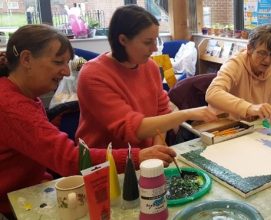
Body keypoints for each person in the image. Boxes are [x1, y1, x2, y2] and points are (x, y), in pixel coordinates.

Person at [0, 24, 176, 217]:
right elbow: (70, 159)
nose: (67, 72)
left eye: (67, 63)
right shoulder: (11, 106)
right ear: (26, 59)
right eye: (58, 62)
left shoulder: (24, 96)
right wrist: (138, 157)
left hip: (31, 191)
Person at [76, 5, 217, 149]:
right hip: (106, 162)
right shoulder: (93, 75)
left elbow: (161, 112)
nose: (155, 48)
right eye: (148, 42)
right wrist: (186, 114)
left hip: (145, 156)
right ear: (123, 40)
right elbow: (131, 128)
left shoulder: (150, 67)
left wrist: (158, 147)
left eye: (155, 41)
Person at [205, 25, 271, 121]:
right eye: (262, 53)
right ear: (249, 48)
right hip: (222, 126)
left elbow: (266, 116)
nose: (267, 60)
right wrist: (249, 108)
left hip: (250, 130)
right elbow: (212, 93)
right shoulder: (235, 65)